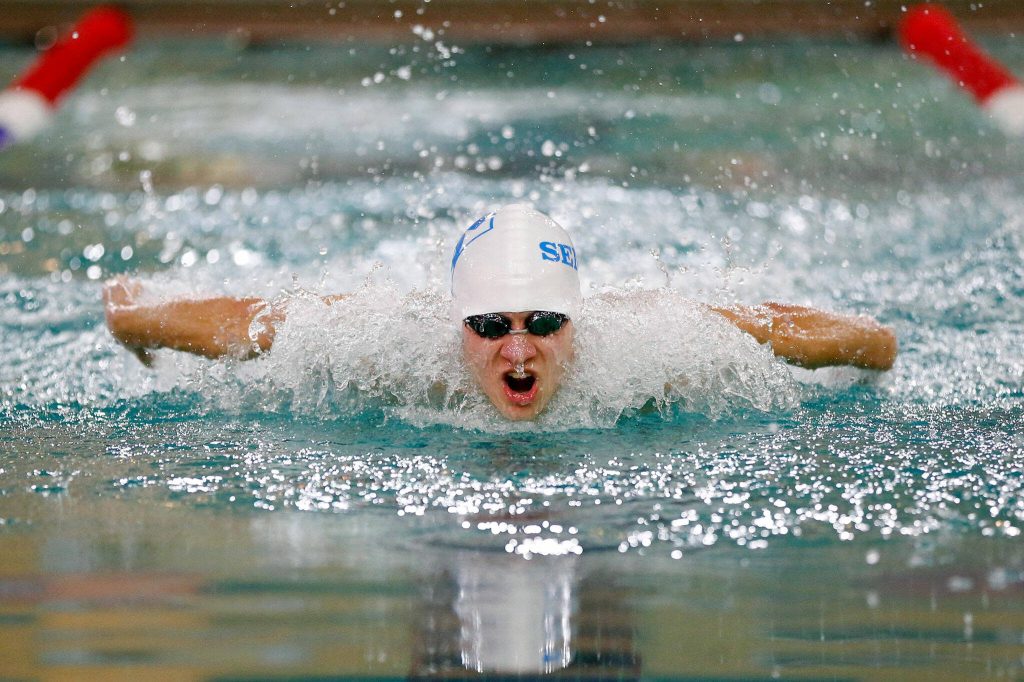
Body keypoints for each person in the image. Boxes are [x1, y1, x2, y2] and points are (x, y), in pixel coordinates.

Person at [104, 204, 897, 422]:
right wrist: (142, 320)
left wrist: (871, 344)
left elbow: (773, 326)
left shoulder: (651, 348)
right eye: (490, 326)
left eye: (543, 323)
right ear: (458, 325)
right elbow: (263, 322)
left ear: (576, 322)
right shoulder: (392, 346)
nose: (518, 350)